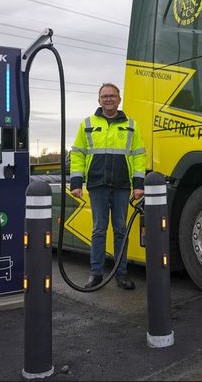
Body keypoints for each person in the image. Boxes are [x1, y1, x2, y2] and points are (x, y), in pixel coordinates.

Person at [70, 83, 146, 290]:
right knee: (98, 230)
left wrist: (138, 184)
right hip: (97, 185)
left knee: (121, 230)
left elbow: (139, 155)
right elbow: (77, 153)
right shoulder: (87, 124)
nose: (109, 99)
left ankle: (121, 274)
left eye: (112, 96)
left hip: (122, 186)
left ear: (119, 99)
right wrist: (76, 182)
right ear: (99, 100)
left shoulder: (131, 124)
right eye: (105, 96)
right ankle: (96, 274)